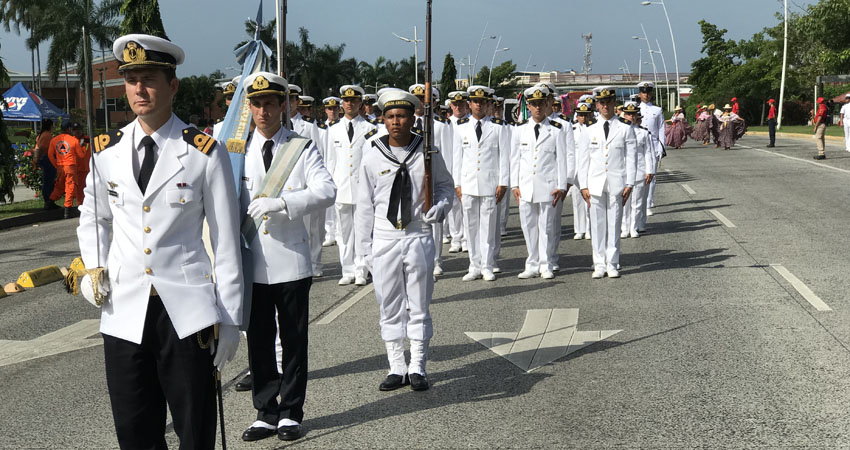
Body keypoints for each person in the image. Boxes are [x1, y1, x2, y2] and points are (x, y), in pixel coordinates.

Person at [77, 33, 243, 449]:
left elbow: (225, 242)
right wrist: (92, 265)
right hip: (125, 311)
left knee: (194, 429)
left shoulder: (204, 152)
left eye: (149, 78)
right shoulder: (106, 152)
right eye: (131, 79)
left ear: (173, 85)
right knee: (134, 431)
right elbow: (93, 217)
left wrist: (231, 318)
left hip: (186, 313)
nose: (139, 89)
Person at [237, 72, 336, 442]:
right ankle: (265, 410)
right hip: (253, 260)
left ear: (284, 106)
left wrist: (282, 202)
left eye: (270, 103)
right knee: (259, 339)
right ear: (249, 108)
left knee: (293, 340)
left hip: (291, 260)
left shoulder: (301, 147)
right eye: (257, 104)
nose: (263, 110)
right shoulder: (237, 152)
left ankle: (291, 410)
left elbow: (327, 189)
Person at [355, 90, 453, 392]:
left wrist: (441, 208)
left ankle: (418, 365)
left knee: (420, 303)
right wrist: (364, 251)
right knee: (389, 304)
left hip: (418, 234)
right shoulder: (372, 154)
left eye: (402, 116)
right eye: (391, 116)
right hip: (385, 237)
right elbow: (364, 206)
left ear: (413, 118)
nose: (396, 122)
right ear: (382, 119)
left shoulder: (428, 151)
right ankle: (396, 365)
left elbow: (445, 186)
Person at [576, 87, 637, 279]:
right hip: (595, 183)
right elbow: (583, 159)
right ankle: (598, 263)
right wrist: (583, 185)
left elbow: (631, 159)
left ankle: (612, 263)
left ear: (614, 103)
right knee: (597, 225)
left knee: (614, 224)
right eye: (601, 103)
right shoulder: (589, 129)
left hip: (617, 182)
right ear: (597, 105)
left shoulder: (625, 128)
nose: (605, 106)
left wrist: (630, 183)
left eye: (608, 102)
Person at [510, 86, 569, 279]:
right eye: (533, 104)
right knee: (528, 226)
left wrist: (561, 185)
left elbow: (562, 159)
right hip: (526, 186)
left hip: (548, 185)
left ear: (547, 105)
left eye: (540, 104)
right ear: (528, 105)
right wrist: (514, 185)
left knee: (546, 227)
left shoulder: (556, 130)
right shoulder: (519, 130)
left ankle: (546, 264)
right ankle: (532, 263)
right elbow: (514, 159)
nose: (537, 108)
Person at [453, 85, 510, 282]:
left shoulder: (498, 127)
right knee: (470, 226)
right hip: (468, 184)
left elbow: (504, 156)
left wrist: (503, 182)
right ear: (469, 104)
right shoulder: (460, 128)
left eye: (482, 102)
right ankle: (473, 265)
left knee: (487, 227)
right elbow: (456, 158)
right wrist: (457, 184)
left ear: (488, 104)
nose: (478, 105)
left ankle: (487, 265)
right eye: (475, 101)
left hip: (489, 183)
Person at [326, 84, 373, 285]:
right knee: (343, 232)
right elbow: (330, 161)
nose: (349, 104)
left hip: (363, 188)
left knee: (363, 231)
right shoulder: (333, 130)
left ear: (360, 103)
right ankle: (347, 269)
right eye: (346, 100)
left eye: (354, 101)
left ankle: (362, 269)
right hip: (342, 187)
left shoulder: (371, 129)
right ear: (341, 103)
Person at [409, 84, 453, 277]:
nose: (420, 103)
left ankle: (436, 260)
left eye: (423, 99)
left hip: (434, 178)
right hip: (413, 180)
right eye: (417, 99)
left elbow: (449, 155)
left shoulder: (442, 125)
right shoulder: (407, 124)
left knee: (435, 222)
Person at [620, 102, 655, 239]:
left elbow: (648, 152)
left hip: (639, 171)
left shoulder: (643, 132)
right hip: (623, 171)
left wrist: (650, 170)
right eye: (628, 114)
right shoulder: (619, 131)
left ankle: (634, 227)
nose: (631, 117)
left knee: (637, 202)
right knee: (623, 202)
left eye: (633, 114)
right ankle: (624, 227)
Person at [446, 91, 469, 253]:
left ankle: (467, 238)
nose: (458, 107)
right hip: (449, 168)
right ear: (450, 106)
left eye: (461, 104)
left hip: (467, 170)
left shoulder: (471, 122)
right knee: (454, 206)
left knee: (467, 206)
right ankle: (456, 238)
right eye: (455, 104)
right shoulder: (446, 123)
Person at [637, 81, 664, 218]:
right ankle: (638, 202)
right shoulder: (635, 109)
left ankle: (648, 203)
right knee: (638, 175)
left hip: (653, 144)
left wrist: (661, 147)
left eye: (648, 92)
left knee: (651, 176)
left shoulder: (657, 110)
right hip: (638, 145)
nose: (646, 95)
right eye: (643, 92)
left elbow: (661, 129)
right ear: (639, 94)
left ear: (651, 94)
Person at [48, 122, 86, 218]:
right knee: (70, 186)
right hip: (71, 166)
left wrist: (56, 165)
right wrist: (82, 147)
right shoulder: (73, 140)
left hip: (60, 167)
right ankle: (68, 209)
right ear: (69, 129)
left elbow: (50, 155)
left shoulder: (54, 140)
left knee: (59, 185)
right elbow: (81, 155)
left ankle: (50, 201)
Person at [571, 102, 594, 240]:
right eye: (580, 115)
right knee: (577, 200)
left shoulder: (594, 129)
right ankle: (579, 229)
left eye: (586, 115)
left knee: (590, 200)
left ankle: (589, 228)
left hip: (590, 167)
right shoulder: (571, 129)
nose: (583, 118)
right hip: (575, 169)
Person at [321, 96, 342, 247]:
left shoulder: (342, 127)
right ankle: (329, 233)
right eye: (330, 108)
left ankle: (338, 232)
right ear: (325, 110)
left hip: (339, 169)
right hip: (325, 168)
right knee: (327, 206)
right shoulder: (321, 128)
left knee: (340, 204)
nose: (332, 111)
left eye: (335, 108)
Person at [34, 119, 58, 210]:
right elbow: (41, 148)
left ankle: (49, 201)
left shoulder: (40, 135)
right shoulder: (47, 135)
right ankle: (48, 201)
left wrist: (36, 159)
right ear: (50, 126)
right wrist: (38, 158)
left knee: (48, 180)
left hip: (44, 159)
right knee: (49, 180)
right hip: (47, 159)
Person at [213, 75, 240, 140]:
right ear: (226, 102)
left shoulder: (250, 124)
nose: (233, 102)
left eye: (235, 98)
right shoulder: (218, 126)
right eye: (229, 99)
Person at [72, 122, 91, 201]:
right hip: (78, 170)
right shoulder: (72, 141)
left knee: (90, 188)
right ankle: (80, 205)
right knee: (80, 190)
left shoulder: (88, 139)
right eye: (75, 130)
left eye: (79, 129)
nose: (77, 131)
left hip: (89, 169)